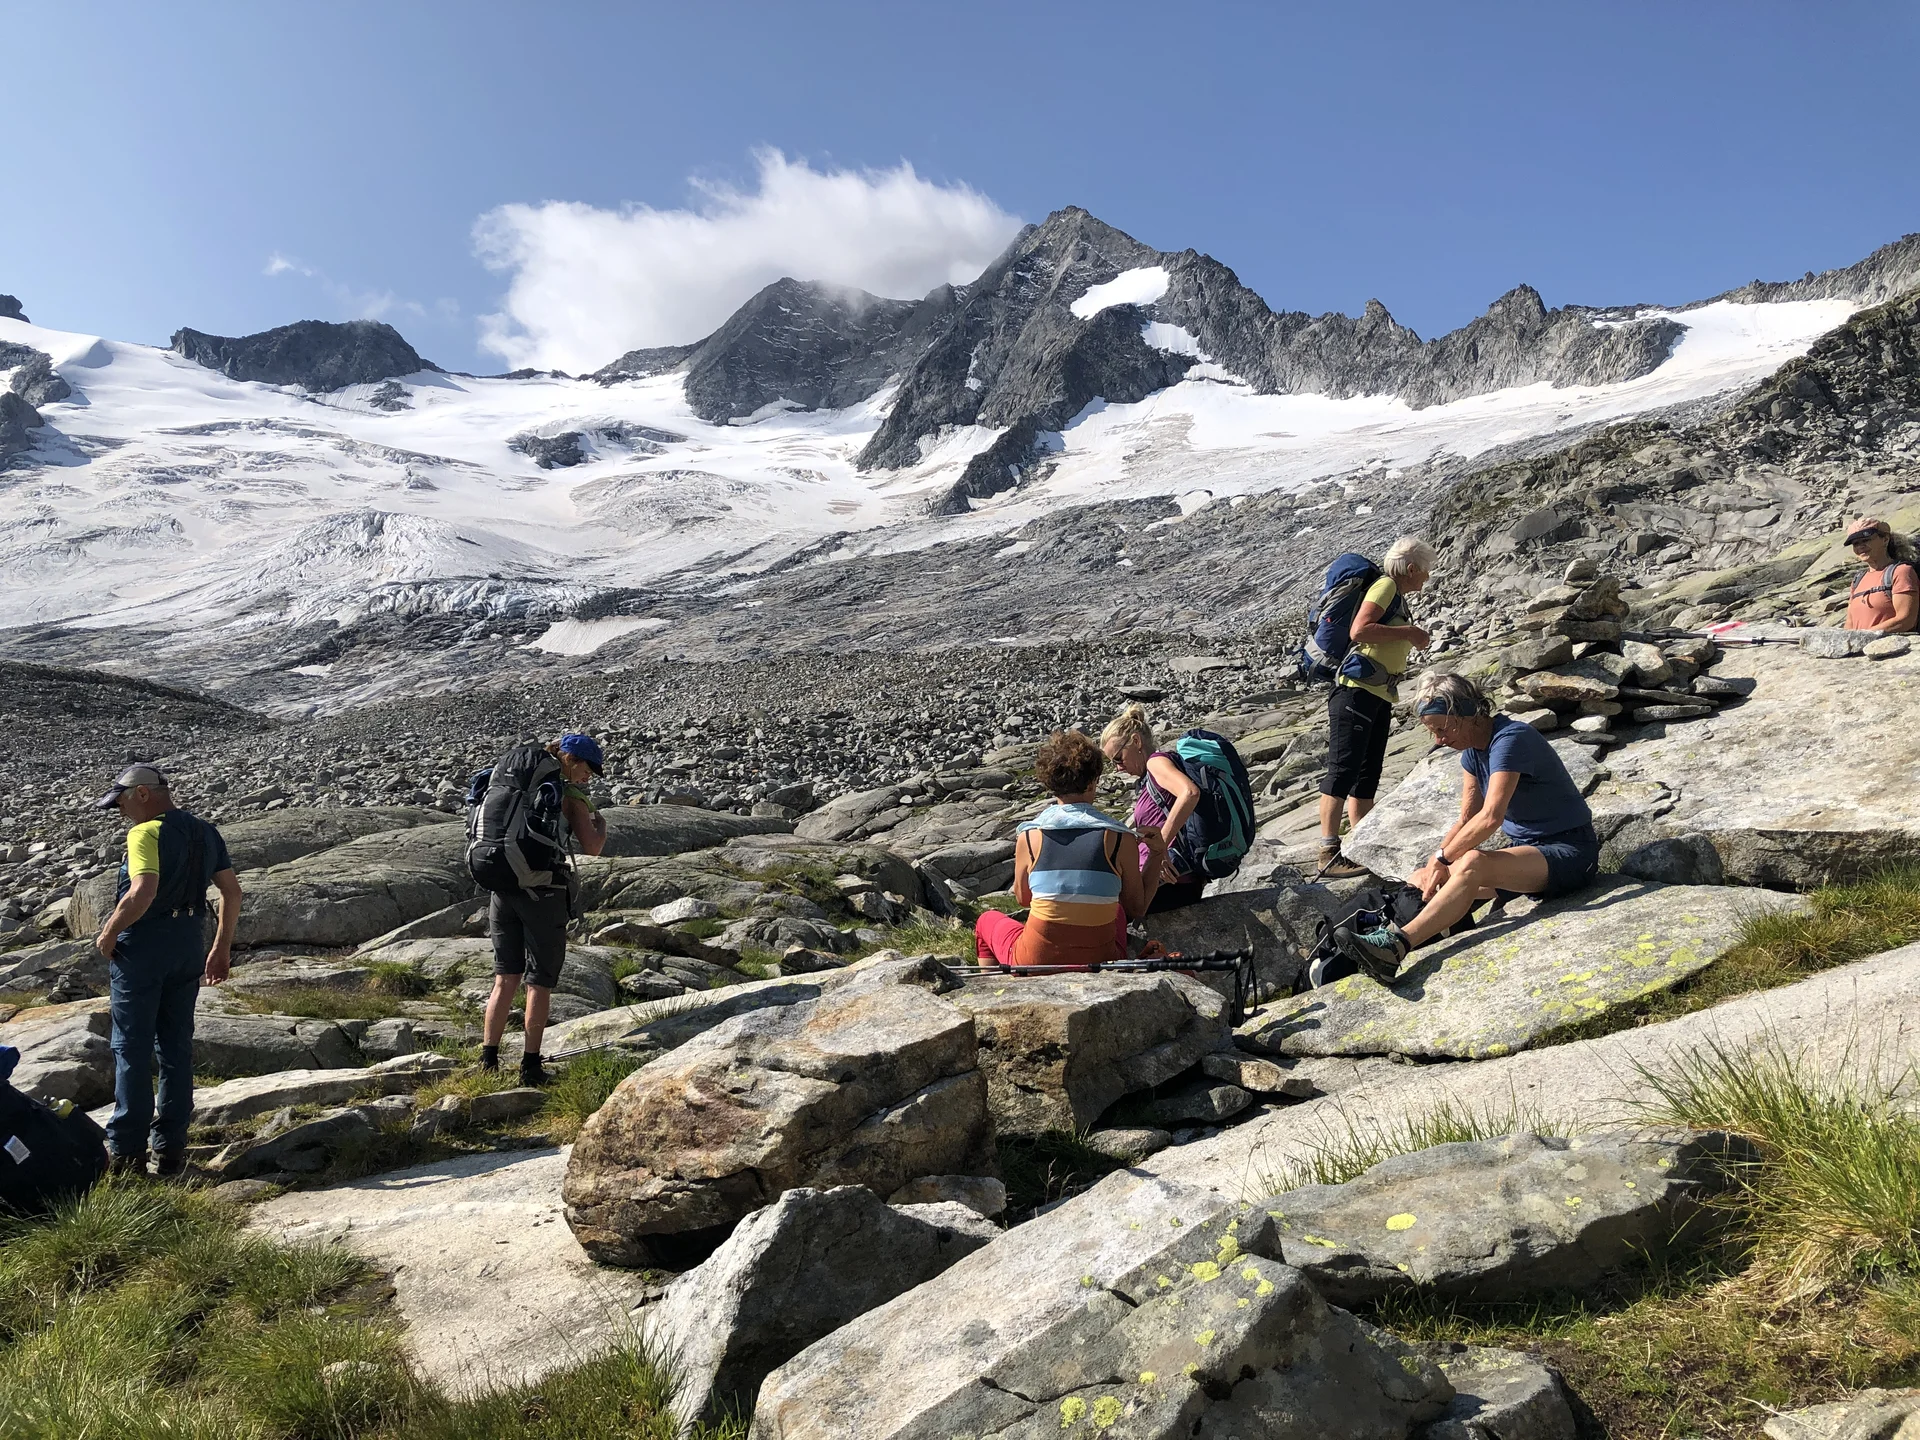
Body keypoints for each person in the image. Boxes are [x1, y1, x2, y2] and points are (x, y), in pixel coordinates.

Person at [1336, 672, 1598, 982]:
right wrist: (1436, 862)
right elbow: (1465, 820)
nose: (1440, 740)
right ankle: (1411, 934)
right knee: (1425, 876)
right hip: (1529, 854)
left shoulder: (1511, 739)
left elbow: (1490, 817)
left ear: (1469, 713)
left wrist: (1446, 858)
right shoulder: (1473, 754)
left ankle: (1396, 947)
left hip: (1571, 852)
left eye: (1443, 729)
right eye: (1432, 732)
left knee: (1471, 862)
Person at [91, 764, 241, 1177]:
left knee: (131, 1047)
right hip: (188, 944)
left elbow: (142, 892)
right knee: (175, 1048)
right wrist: (221, 948)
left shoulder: (144, 832)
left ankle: (126, 1155)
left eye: (120, 800)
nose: (120, 809)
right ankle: (171, 1151)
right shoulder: (205, 831)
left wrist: (108, 934)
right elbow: (231, 891)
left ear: (142, 794)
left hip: (143, 949)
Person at [975, 730, 1168, 969]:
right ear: (1093, 780)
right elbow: (1136, 908)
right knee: (1117, 911)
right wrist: (1157, 853)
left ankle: (993, 988)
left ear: (1049, 782)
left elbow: (1024, 899)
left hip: (1035, 959)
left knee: (986, 921)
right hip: (1102, 958)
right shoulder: (1120, 838)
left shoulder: (1029, 835)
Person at [479, 733, 609, 1086]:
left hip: (503, 887)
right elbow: (593, 847)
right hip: (544, 893)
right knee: (539, 983)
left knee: (504, 978)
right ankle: (530, 1066)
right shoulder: (568, 794)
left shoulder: (516, 784)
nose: (589, 777)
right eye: (588, 769)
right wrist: (601, 823)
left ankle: (488, 1060)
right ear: (571, 760)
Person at [1318, 537, 1436, 879]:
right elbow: (1360, 630)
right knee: (1343, 770)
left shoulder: (1394, 594)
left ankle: (1361, 846)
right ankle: (1327, 852)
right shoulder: (1385, 585)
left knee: (1366, 776)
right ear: (1411, 568)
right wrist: (1410, 632)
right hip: (1356, 692)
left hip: (1378, 693)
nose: (1426, 579)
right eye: (1424, 571)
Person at [1100, 704, 1206, 911]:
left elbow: (1190, 793)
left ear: (1136, 742)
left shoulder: (1156, 763)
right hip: (1164, 881)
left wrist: (1161, 848)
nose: (1118, 768)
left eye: (1118, 759)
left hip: (1172, 883)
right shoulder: (1148, 778)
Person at [1843, 516, 1919, 634]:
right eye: (1855, 543)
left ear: (1885, 539)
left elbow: (1906, 619)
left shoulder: (1901, 572)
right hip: (1860, 650)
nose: (1860, 547)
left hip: (1892, 649)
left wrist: (1864, 636)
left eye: (1866, 540)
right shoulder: (1857, 580)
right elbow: (1849, 624)